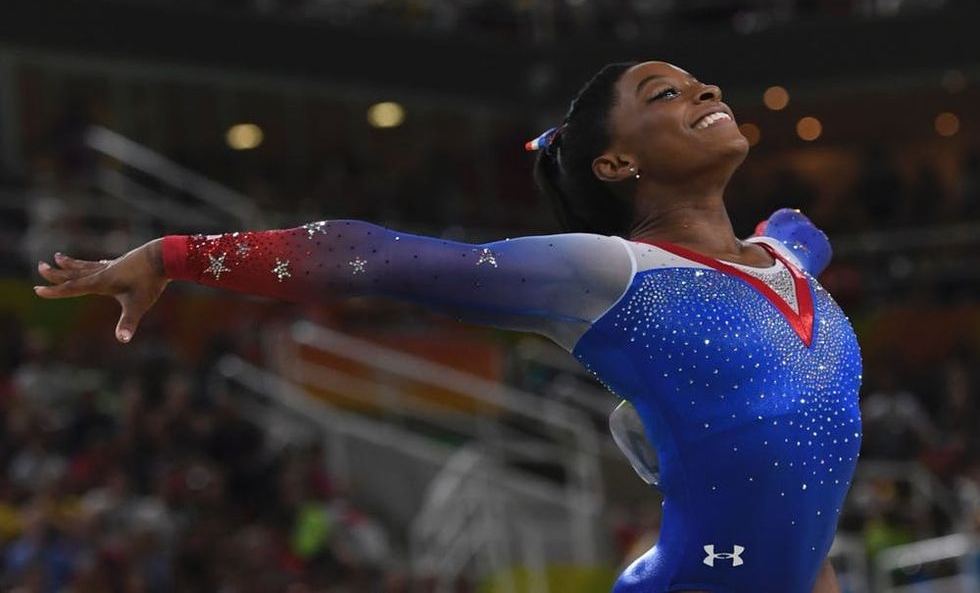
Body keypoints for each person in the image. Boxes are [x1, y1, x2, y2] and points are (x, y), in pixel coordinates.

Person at [34, 61, 860, 593]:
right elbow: (376, 256)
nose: (706, 91)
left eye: (698, 82)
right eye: (665, 94)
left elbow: (799, 498)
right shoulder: (607, 274)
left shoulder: (788, 260)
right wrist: (178, 254)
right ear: (616, 164)